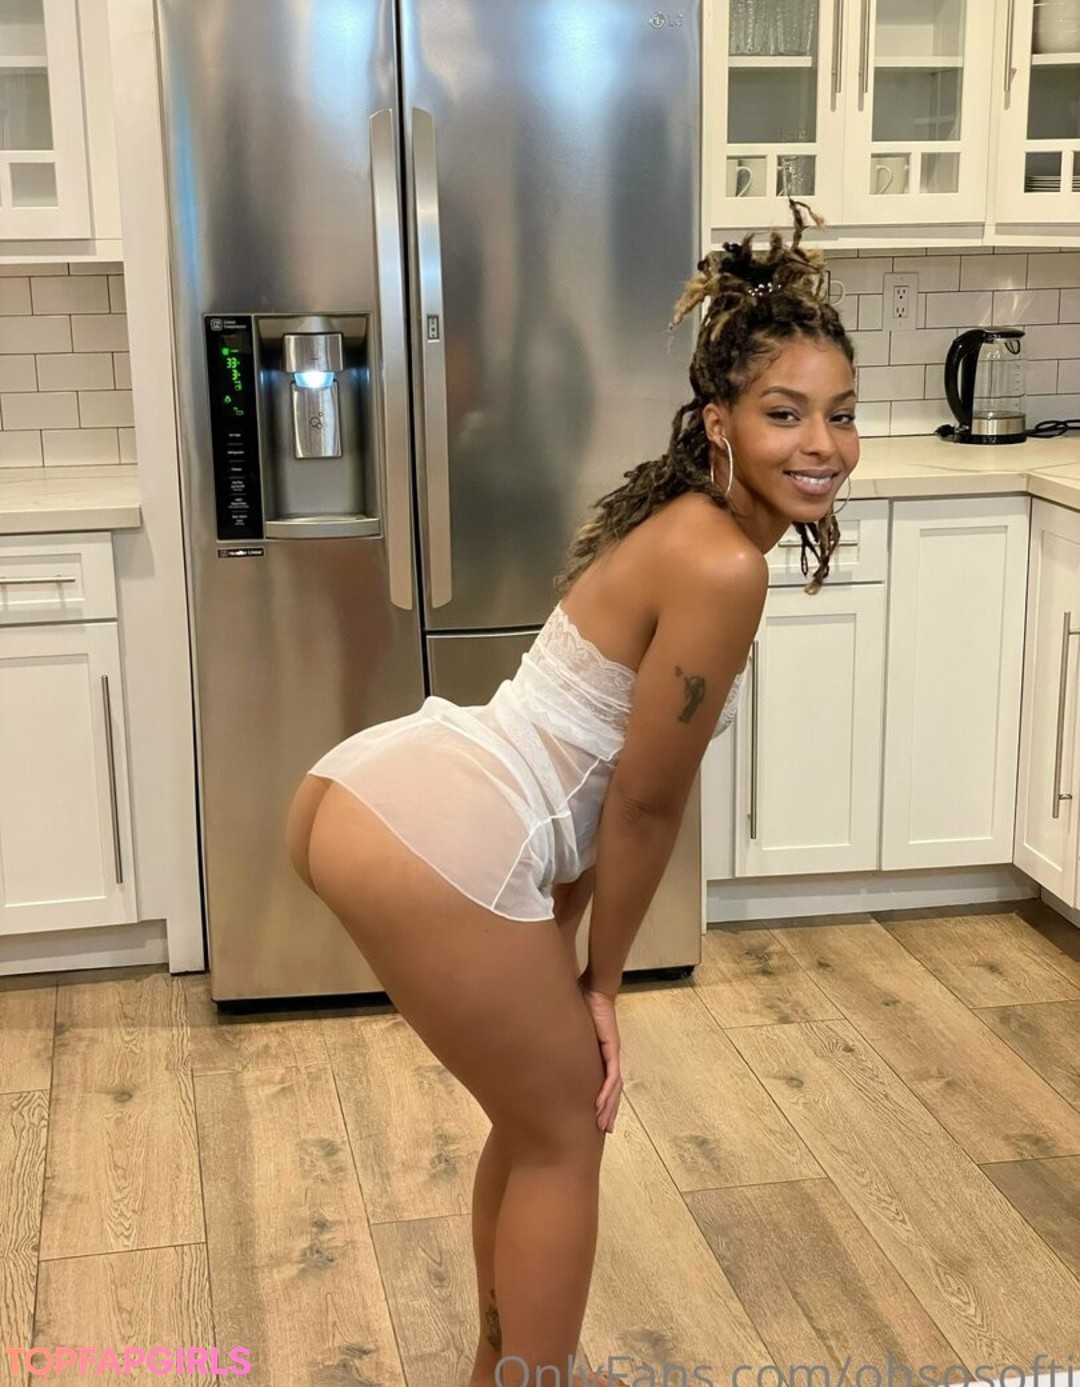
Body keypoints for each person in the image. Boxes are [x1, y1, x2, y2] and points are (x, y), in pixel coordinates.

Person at [286, 201, 860, 1387]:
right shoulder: (724, 562)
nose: (822, 443)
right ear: (720, 423)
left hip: (394, 792)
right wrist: (602, 983)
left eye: (841, 414)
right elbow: (641, 803)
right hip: (460, 830)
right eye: (785, 412)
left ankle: (499, 1364)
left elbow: (588, 778)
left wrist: (560, 934)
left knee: (531, 1120)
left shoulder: (684, 522)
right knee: (566, 1135)